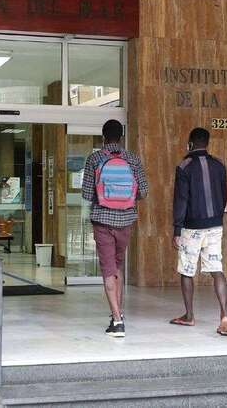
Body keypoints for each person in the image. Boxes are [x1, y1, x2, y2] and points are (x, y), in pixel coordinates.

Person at [82, 119, 148, 338]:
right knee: (117, 266)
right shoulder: (132, 159)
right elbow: (143, 191)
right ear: (121, 137)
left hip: (102, 219)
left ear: (103, 136)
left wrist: (104, 197)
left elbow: (86, 194)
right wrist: (126, 199)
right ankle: (117, 313)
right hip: (126, 220)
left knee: (108, 269)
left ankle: (117, 321)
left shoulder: (94, 158)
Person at [170, 127, 227, 336]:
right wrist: (218, 217)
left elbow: (181, 199)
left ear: (190, 143)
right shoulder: (219, 165)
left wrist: (177, 228)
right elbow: (225, 195)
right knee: (217, 269)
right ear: (207, 143)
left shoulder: (184, 166)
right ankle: (224, 315)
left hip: (191, 227)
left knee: (187, 270)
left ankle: (189, 316)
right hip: (215, 225)